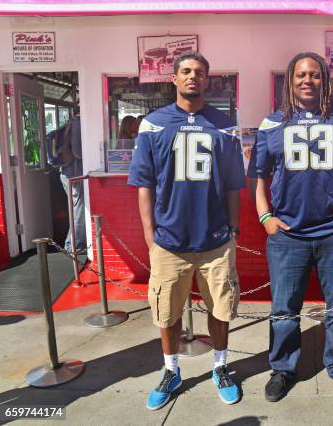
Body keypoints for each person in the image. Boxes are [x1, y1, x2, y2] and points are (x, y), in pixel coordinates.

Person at [248, 52, 333, 402]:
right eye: (301, 75)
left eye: (315, 75)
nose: (308, 80)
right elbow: (257, 176)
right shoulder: (273, 124)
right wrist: (266, 218)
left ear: (325, 81)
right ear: (289, 81)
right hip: (288, 234)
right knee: (284, 310)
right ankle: (283, 369)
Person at [128, 51, 245, 410]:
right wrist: (150, 234)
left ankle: (221, 367)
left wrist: (233, 229)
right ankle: (171, 370)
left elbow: (232, 184)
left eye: (199, 72)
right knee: (167, 312)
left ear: (208, 80)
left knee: (221, 310)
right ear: (174, 78)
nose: (192, 77)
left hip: (215, 240)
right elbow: (144, 183)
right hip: (169, 241)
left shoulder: (224, 125)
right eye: (186, 71)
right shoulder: (153, 124)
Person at [59, 106, 87, 254]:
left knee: (75, 208)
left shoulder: (69, 122)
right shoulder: (78, 123)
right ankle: (75, 246)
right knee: (78, 209)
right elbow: (77, 151)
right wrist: (89, 152)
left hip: (66, 172)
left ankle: (71, 243)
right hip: (74, 173)